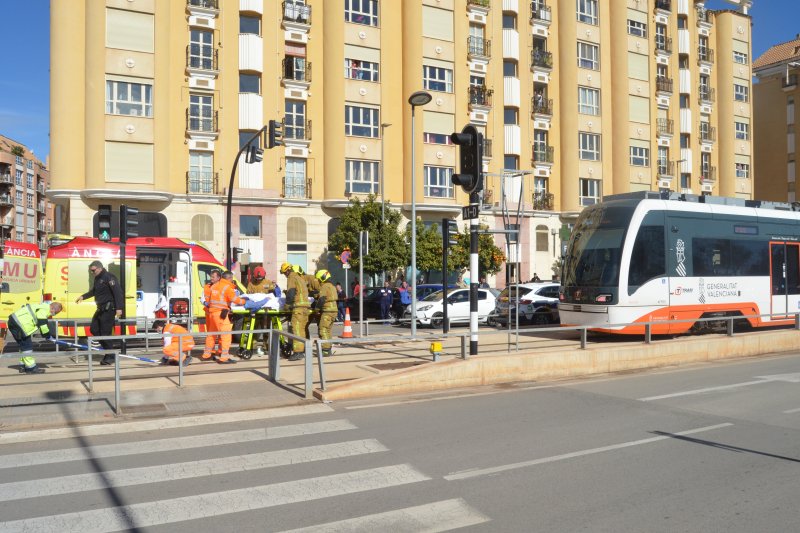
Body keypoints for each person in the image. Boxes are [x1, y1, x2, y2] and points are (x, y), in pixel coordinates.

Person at [76, 260, 124, 365]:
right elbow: (94, 291)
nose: (92, 273)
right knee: (94, 329)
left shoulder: (109, 277)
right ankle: (109, 352)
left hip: (108, 309)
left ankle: (111, 355)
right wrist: (83, 296)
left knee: (105, 333)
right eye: (91, 271)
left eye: (93, 270)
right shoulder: (98, 279)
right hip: (100, 309)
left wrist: (119, 308)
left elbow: (118, 292)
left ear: (99, 268)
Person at [201, 269, 244, 364]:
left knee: (211, 334)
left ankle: (206, 354)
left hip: (211, 313)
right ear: (229, 278)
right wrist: (244, 302)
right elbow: (235, 299)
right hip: (221, 314)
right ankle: (224, 357)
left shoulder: (214, 286)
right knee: (226, 335)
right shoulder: (227, 287)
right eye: (232, 279)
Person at [8, 302, 63, 374]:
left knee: (23, 346)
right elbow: (43, 324)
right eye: (55, 312)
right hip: (19, 325)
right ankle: (31, 368)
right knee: (27, 347)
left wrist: (47, 336)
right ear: (52, 308)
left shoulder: (42, 306)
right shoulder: (44, 309)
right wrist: (48, 336)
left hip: (15, 323)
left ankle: (23, 365)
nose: (54, 314)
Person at [281, 262, 310, 361]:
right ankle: (302, 351)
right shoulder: (299, 278)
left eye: (284, 273)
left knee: (296, 329)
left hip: (298, 307)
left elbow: (291, 293)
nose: (284, 275)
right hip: (305, 307)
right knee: (301, 329)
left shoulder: (292, 277)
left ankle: (298, 352)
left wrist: (286, 306)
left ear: (288, 271)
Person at [246, 266, 275, 355]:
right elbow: (248, 295)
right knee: (254, 328)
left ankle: (267, 347)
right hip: (256, 310)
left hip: (267, 310)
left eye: (260, 278)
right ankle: (253, 347)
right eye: (257, 278)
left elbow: (273, 294)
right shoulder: (251, 284)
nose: (259, 280)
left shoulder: (268, 283)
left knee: (267, 329)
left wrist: (275, 288)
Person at [315, 270, 338, 357]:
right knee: (328, 330)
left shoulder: (324, 286)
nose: (319, 281)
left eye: (319, 279)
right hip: (334, 310)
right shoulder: (332, 286)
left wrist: (316, 309)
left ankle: (325, 350)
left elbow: (322, 299)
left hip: (327, 311)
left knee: (323, 329)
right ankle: (328, 348)